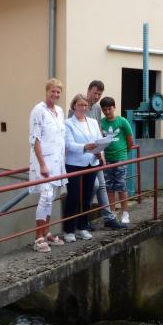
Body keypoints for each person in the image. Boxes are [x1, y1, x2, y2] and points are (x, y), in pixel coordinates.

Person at [68, 80, 125, 230]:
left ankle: (109, 217)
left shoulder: (98, 109)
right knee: (94, 186)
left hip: (96, 155)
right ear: (88, 91)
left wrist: (102, 153)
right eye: (95, 93)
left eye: (100, 94)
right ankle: (83, 219)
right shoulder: (77, 107)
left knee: (102, 185)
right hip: (80, 158)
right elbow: (70, 135)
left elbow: (98, 130)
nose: (97, 96)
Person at [28, 78, 67, 252]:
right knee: (45, 197)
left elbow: (61, 138)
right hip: (44, 162)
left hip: (57, 162)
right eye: (53, 91)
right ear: (47, 91)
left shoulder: (59, 111)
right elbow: (35, 139)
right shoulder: (38, 110)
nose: (56, 94)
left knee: (51, 198)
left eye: (58, 92)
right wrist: (42, 164)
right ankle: (38, 238)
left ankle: (47, 232)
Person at [62, 94, 101, 242]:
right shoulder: (68, 123)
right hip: (74, 164)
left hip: (92, 162)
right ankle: (69, 230)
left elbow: (99, 140)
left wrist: (99, 152)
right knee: (73, 197)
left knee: (86, 198)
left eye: (85, 105)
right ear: (74, 106)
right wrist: (84, 147)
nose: (83, 108)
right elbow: (69, 144)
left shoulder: (93, 122)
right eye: (80, 105)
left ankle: (82, 227)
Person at [99, 96, 134, 225]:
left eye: (109, 109)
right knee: (109, 187)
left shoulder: (122, 121)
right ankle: (112, 212)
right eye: (104, 110)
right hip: (106, 160)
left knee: (121, 186)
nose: (107, 112)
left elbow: (130, 142)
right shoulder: (101, 123)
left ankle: (125, 213)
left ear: (114, 107)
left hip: (120, 159)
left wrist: (123, 154)